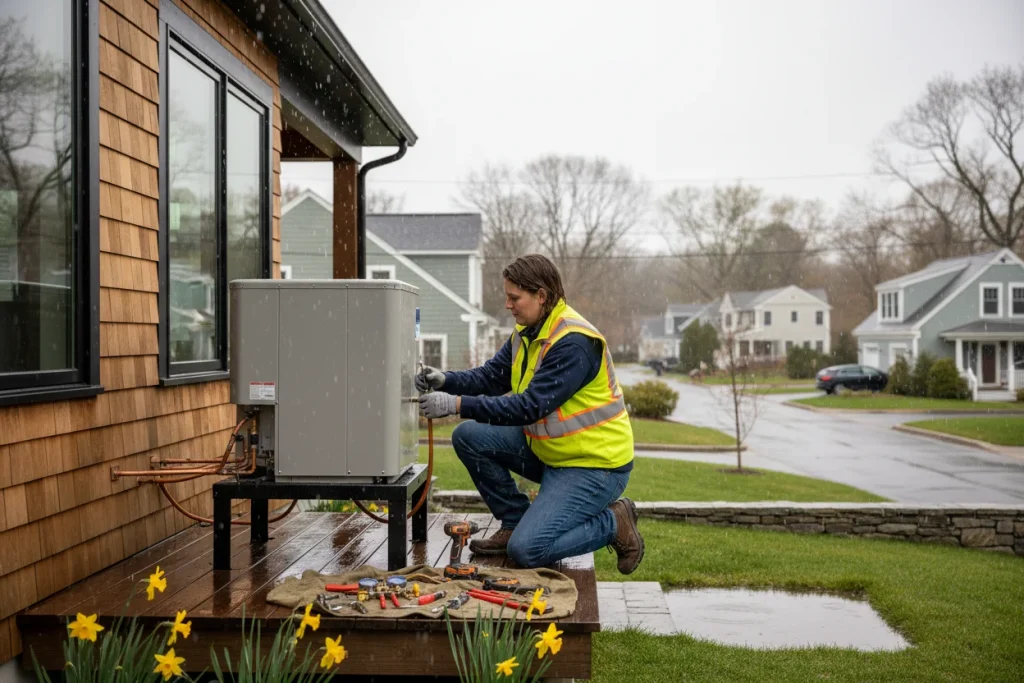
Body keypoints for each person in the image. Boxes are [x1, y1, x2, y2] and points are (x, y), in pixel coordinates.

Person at [416, 254, 644, 574]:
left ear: (541, 296)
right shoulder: (528, 331)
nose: (508, 305)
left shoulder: (573, 343)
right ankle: (515, 519)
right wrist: (447, 379)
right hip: (552, 454)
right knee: (468, 437)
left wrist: (456, 405)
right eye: (507, 297)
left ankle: (614, 523)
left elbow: (528, 407)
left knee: (527, 550)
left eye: (514, 298)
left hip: (594, 465)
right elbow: (492, 378)